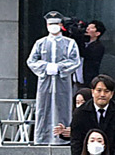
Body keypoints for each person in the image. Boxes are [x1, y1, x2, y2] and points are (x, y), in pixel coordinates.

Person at [28, 13, 80, 145]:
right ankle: (42, 137)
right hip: (45, 81)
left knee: (63, 108)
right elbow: (31, 61)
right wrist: (45, 67)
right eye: (50, 24)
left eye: (56, 24)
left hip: (62, 82)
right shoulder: (40, 43)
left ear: (61, 25)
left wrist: (59, 67)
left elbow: (75, 61)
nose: (53, 27)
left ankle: (62, 138)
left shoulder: (69, 43)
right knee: (43, 108)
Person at [79, 20, 106, 86]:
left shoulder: (98, 46)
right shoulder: (84, 42)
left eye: (91, 28)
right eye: (87, 27)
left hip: (88, 78)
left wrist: (79, 37)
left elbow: (86, 54)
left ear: (97, 33)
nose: (87, 29)